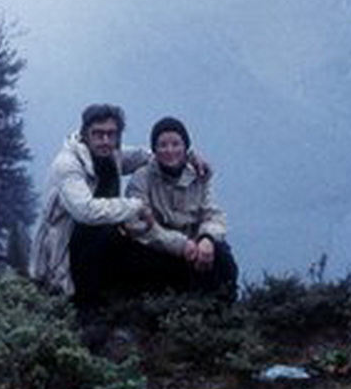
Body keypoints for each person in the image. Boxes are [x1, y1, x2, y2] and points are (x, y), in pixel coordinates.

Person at [28, 104, 210, 307]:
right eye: (98, 134)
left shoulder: (112, 155)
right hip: (66, 253)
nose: (105, 140)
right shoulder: (68, 165)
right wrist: (135, 206)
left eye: (111, 134)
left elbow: (155, 155)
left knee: (153, 257)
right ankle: (87, 310)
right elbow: (85, 211)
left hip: (103, 245)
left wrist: (189, 155)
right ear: (85, 134)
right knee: (105, 232)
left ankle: (183, 305)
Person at [122, 116, 239, 301]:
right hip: (157, 247)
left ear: (186, 148)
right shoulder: (141, 178)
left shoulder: (200, 175)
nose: (170, 150)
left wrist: (207, 238)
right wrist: (180, 245)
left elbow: (212, 213)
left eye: (176, 144)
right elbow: (138, 225)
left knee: (222, 258)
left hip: (194, 246)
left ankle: (223, 315)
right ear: (154, 150)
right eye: (163, 145)